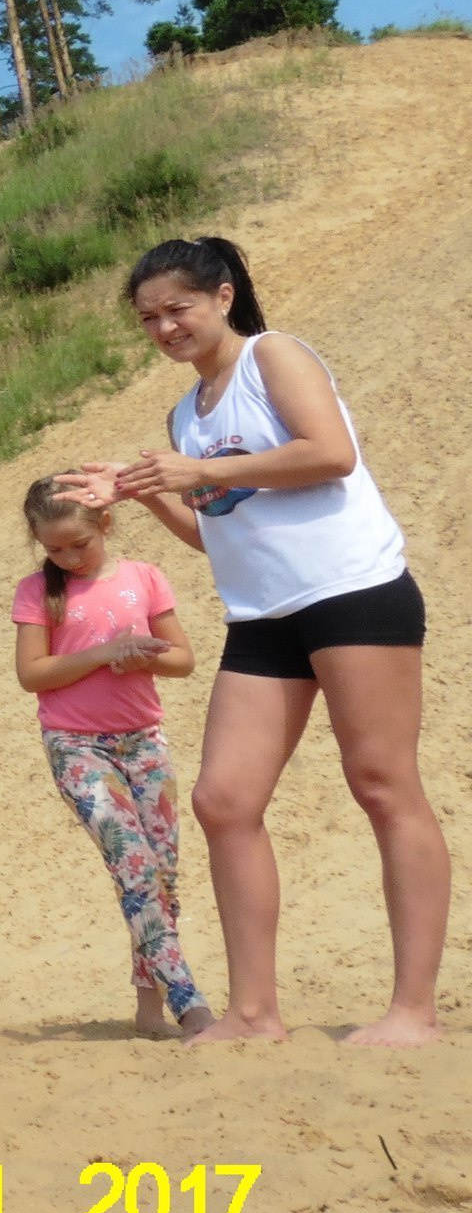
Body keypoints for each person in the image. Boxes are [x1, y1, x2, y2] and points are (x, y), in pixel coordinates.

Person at [59, 237, 446, 1048]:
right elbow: (215, 536)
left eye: (178, 309)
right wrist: (141, 492)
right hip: (262, 614)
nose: (165, 327)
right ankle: (254, 1013)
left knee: (382, 784)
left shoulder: (275, 356)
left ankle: (414, 1011)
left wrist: (200, 474)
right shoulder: (185, 415)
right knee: (223, 801)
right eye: (149, 318)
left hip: (353, 592)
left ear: (224, 296)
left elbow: (330, 455)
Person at [12, 479, 212, 1038]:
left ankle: (149, 1010)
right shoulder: (36, 592)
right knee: (133, 864)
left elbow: (183, 659)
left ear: (106, 525)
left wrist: (141, 658)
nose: (69, 558)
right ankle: (189, 1002)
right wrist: (103, 654)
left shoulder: (143, 577)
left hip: (144, 738)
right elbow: (31, 674)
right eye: (55, 549)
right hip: (76, 745)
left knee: (162, 874)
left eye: (79, 543)